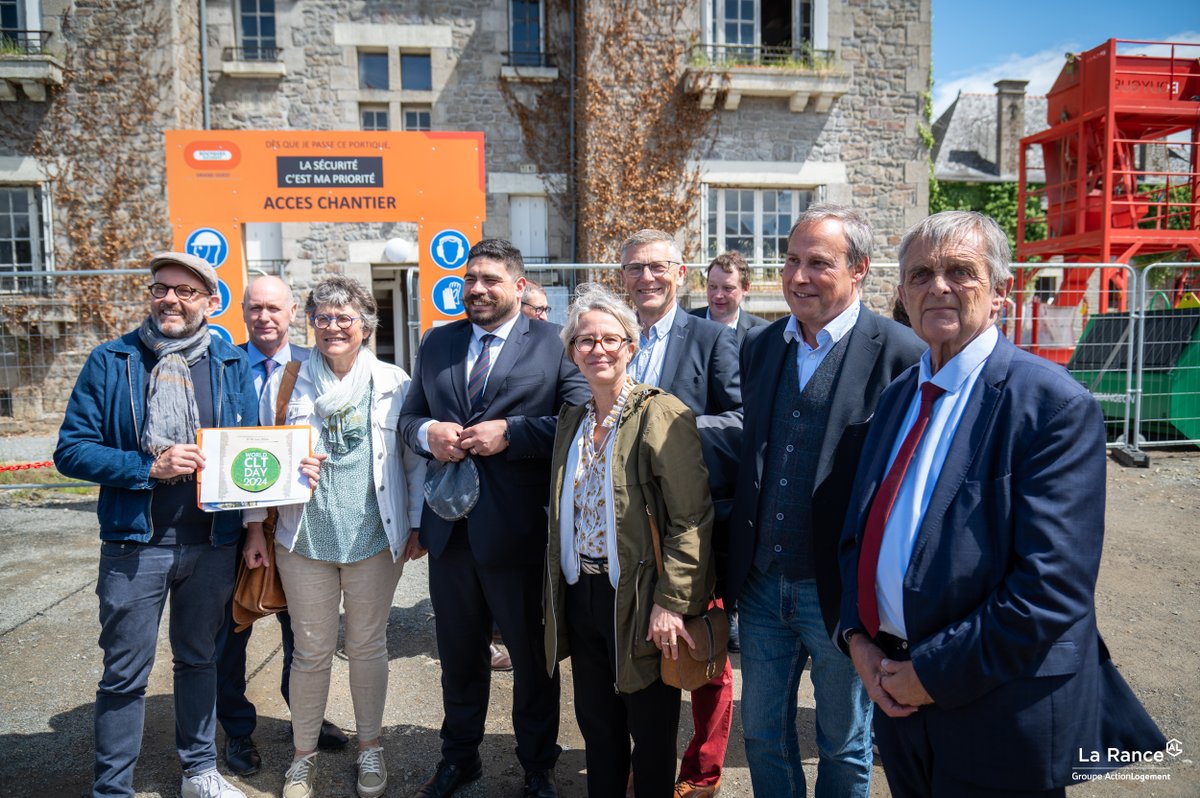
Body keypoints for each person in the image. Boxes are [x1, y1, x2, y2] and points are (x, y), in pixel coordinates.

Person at [838, 211, 1164, 797]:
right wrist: (857, 640)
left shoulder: (1052, 406)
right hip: (895, 697)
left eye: (960, 271)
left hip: (997, 709)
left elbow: (1051, 588)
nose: (938, 286)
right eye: (920, 275)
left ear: (1000, 292)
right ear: (903, 296)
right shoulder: (898, 397)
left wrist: (931, 675)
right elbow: (860, 532)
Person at [723, 204, 925, 797]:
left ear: (859, 269)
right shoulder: (761, 346)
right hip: (762, 586)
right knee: (762, 734)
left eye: (818, 263)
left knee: (844, 742)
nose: (798, 276)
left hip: (841, 596)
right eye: (791, 261)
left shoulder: (901, 352)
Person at [54, 252, 259, 798]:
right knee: (124, 675)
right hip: (135, 544)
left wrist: (286, 476)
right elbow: (71, 450)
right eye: (160, 288)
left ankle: (199, 772)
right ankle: (112, 789)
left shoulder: (230, 363)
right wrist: (149, 466)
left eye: (184, 291)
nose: (169, 299)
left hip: (212, 543)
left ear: (209, 302)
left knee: (199, 661)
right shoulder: (112, 360)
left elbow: (252, 445)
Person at [400, 238, 589, 798]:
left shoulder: (554, 344)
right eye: (470, 279)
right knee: (459, 658)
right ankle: (460, 758)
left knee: (532, 662)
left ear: (519, 286)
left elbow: (580, 419)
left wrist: (512, 432)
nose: (477, 289)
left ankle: (537, 766)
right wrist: (426, 433)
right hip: (450, 532)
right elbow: (408, 418)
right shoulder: (438, 341)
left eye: (490, 280)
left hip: (520, 534)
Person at [242, 274, 427, 798]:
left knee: (368, 646)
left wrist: (416, 523)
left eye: (345, 318)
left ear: (366, 326)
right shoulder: (289, 381)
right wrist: (255, 525)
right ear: (311, 323)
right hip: (304, 539)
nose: (333, 327)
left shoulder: (393, 382)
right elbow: (259, 456)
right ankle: (303, 757)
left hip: (375, 538)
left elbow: (413, 463)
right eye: (322, 317)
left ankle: (370, 747)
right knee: (310, 652)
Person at [543, 282, 715, 798]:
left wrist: (672, 602)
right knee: (598, 727)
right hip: (583, 592)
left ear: (631, 346)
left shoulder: (660, 413)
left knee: (651, 731)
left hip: (641, 601)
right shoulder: (572, 420)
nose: (598, 349)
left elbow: (691, 518)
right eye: (585, 340)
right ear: (572, 351)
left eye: (610, 339)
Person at [619, 229, 741, 798]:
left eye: (657, 267)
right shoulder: (614, 339)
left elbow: (741, 422)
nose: (646, 278)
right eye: (634, 268)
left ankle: (702, 772)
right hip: (627, 529)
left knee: (702, 653)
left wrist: (665, 434)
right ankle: (647, 762)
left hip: (691, 525)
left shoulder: (712, 339)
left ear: (680, 273)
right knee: (641, 649)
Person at [215, 276, 348, 779]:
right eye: (255, 308)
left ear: (293, 312)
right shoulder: (224, 365)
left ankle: (304, 717)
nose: (264, 317)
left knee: (303, 631)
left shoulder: (315, 365)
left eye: (274, 308)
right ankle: (237, 729)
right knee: (230, 632)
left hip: (297, 518)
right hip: (231, 522)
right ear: (242, 311)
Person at [689, 251, 769, 344]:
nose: (718, 295)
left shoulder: (762, 333)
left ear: (745, 288)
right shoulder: (685, 324)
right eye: (713, 286)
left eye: (727, 288)